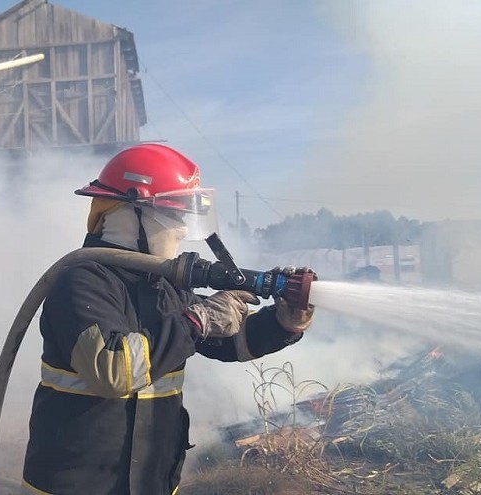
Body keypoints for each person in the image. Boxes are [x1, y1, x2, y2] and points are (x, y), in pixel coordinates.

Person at [21, 143, 315, 495]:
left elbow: (227, 339)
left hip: (150, 482)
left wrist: (284, 322)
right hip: (78, 485)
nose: (180, 229)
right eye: (173, 215)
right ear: (132, 211)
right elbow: (114, 370)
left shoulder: (161, 286)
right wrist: (198, 320)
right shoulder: (81, 280)